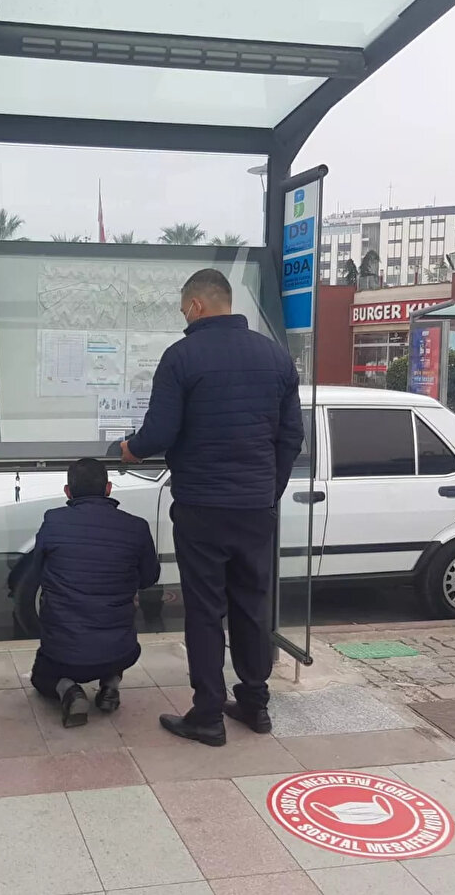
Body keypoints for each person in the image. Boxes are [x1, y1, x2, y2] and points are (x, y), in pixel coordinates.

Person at [121, 269, 303, 747]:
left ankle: (207, 715)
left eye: (184, 311)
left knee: (205, 610)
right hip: (255, 508)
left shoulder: (182, 356)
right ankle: (255, 702)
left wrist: (131, 449)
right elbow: (291, 437)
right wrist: (268, 488)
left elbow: (159, 432)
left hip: (202, 505)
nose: (183, 319)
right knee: (251, 603)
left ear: (198, 305)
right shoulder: (276, 357)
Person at [27, 458, 160, 727]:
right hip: (121, 650)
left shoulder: (54, 521)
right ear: (109, 488)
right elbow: (150, 578)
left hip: (64, 652)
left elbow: (35, 571)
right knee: (112, 625)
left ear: (68, 491)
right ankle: (110, 684)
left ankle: (70, 690)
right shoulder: (136, 527)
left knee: (41, 676)